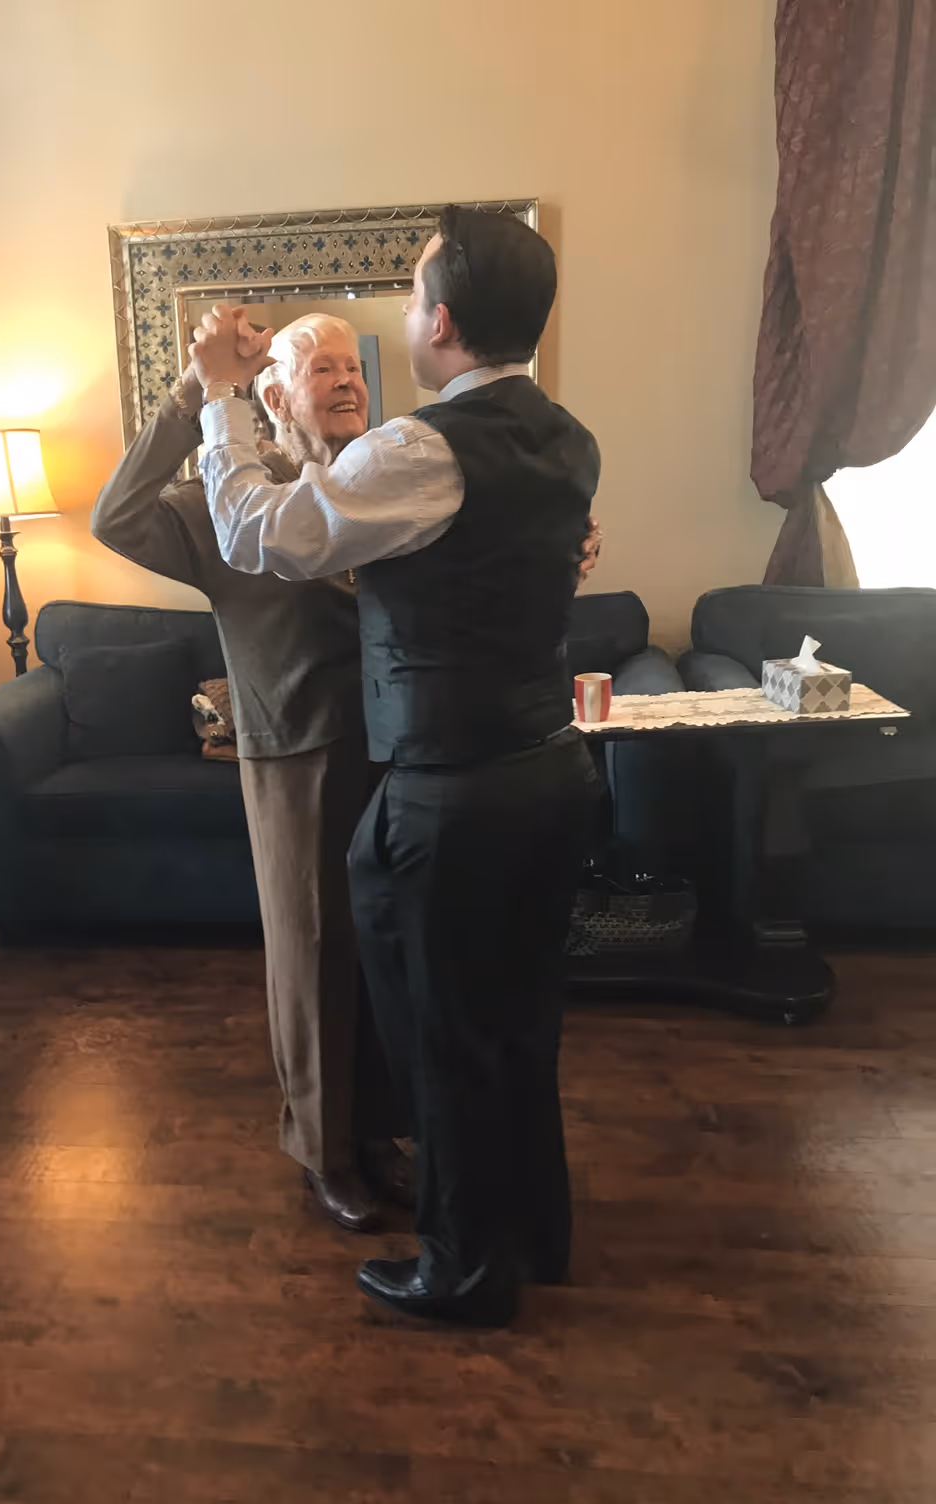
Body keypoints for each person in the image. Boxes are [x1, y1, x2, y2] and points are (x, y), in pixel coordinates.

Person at [93, 311, 603, 1235]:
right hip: (300, 753)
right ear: (275, 395)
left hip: (405, 754)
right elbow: (116, 517)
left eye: (354, 368)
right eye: (320, 368)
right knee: (316, 958)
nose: (346, 382)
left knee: (390, 960)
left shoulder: (391, 480)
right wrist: (189, 396)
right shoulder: (231, 497)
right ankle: (325, 1149)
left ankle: (381, 1134)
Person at [189, 206, 602, 1327]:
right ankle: (533, 1233)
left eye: (415, 293)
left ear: (443, 321)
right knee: (519, 1023)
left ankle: (465, 1269)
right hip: (548, 772)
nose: (411, 312)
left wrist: (223, 399)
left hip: (452, 791)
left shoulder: (421, 451)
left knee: (444, 1034)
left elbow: (260, 534)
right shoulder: (568, 437)